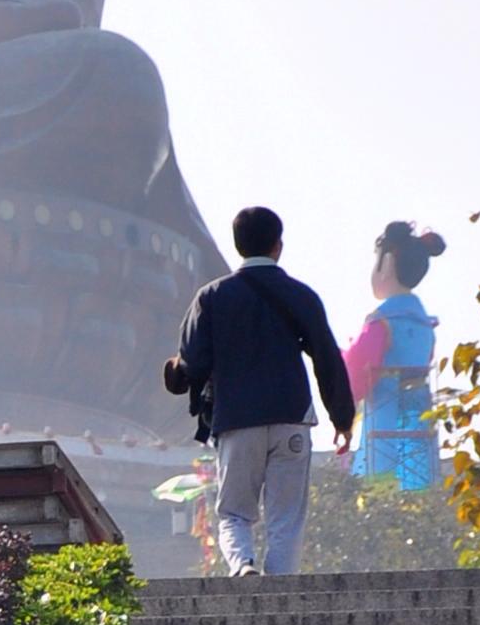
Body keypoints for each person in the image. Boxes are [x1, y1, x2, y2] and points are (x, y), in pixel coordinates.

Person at [164, 203, 355, 578]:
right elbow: (327, 357)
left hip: (238, 420)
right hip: (292, 417)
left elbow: (192, 363)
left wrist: (174, 374)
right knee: (286, 517)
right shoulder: (301, 295)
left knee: (234, 512)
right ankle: (279, 588)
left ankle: (243, 567)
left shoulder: (212, 297)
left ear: (237, 245)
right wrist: (342, 417)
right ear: (277, 246)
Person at [342, 220, 447, 490]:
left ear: (386, 264)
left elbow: (355, 368)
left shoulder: (382, 321)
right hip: (419, 418)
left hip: (384, 421)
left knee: (378, 489)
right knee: (417, 489)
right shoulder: (425, 325)